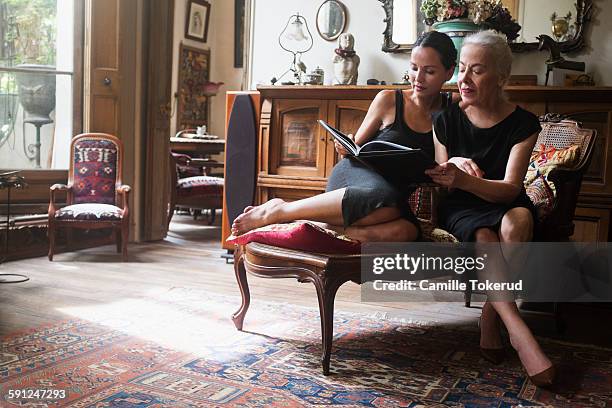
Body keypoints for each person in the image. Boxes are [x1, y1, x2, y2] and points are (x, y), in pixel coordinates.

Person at [231, 31, 456, 242]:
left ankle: (316, 225)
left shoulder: (452, 108)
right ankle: (280, 210)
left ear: (448, 72)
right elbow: (355, 147)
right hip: (358, 175)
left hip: (394, 196)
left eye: (429, 71)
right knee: (383, 201)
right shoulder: (388, 99)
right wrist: (345, 146)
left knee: (405, 231)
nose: (418, 78)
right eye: (415, 68)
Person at [425, 30, 555, 387]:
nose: (463, 79)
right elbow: (442, 175)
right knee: (483, 235)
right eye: (462, 69)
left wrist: (464, 178)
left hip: (502, 199)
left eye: (477, 71)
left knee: (517, 222)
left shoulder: (524, 124)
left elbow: (511, 189)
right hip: (462, 207)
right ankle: (519, 333)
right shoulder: (446, 120)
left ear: (501, 77)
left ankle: (490, 311)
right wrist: (455, 161)